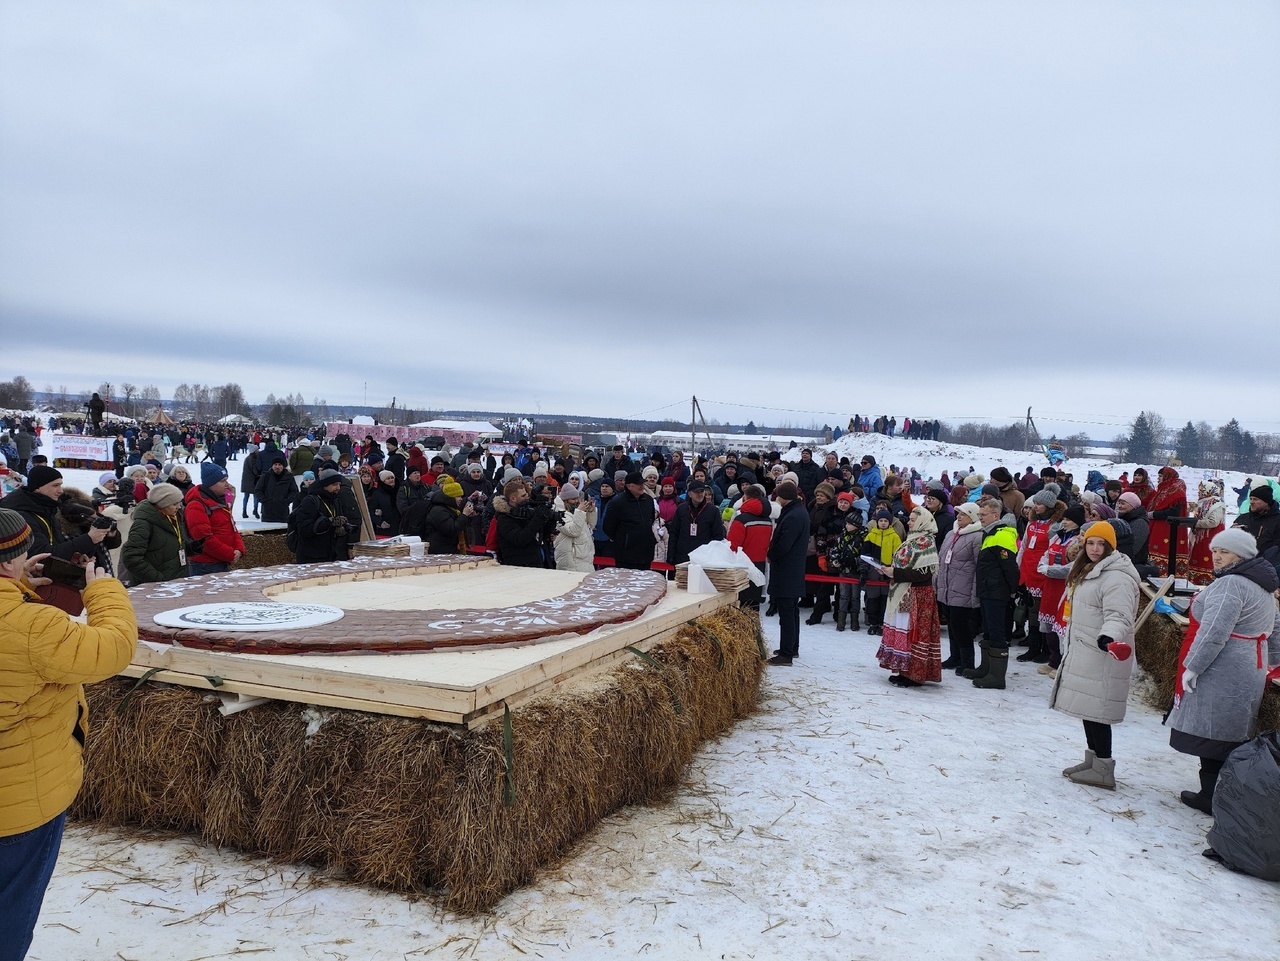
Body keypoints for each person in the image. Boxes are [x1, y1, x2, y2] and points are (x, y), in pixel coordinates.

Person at [0, 508, 137, 957]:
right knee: (9, 914)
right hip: (16, 805)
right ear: (8, 562)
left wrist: (17, 586)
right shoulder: (30, 627)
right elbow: (113, 648)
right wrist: (103, 591)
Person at [1166, 528, 1280, 815]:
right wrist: (1273, 660)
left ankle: (1211, 796)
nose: (1216, 557)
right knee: (1230, 733)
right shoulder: (1263, 586)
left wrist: (1194, 666)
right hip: (1250, 666)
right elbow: (1276, 628)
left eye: (1224, 552)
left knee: (1213, 732)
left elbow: (1214, 630)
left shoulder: (1232, 584)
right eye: (1215, 551)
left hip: (1223, 667)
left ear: (1241, 556)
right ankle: (1223, 794)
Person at [1048, 521, 1140, 790]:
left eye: (1102, 544)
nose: (1095, 549)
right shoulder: (1090, 569)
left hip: (1102, 652)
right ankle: (1093, 761)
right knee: (1088, 710)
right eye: (1091, 543)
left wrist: (1108, 637)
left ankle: (1103, 768)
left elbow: (1120, 615)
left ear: (1111, 546)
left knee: (1098, 712)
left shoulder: (1117, 577)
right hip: (1086, 650)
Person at [875, 507, 942, 687]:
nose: (909, 522)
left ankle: (914, 674)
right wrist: (888, 570)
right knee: (904, 631)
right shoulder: (912, 539)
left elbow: (924, 573)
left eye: (912, 520)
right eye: (910, 519)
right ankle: (904, 670)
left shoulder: (926, 542)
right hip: (905, 592)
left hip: (917, 595)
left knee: (914, 633)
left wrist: (894, 572)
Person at [0, 466, 113, 562]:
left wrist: (75, 557)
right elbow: (41, 555)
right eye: (55, 485)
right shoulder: (22, 515)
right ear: (38, 487)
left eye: (60, 485)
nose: (61, 491)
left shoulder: (48, 509)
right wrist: (89, 539)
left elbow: (56, 546)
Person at [968, 496, 1020, 689]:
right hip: (987, 589)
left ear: (996, 515)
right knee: (988, 630)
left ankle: (997, 677)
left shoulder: (1004, 534)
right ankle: (986, 668)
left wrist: (1013, 590)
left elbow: (1010, 567)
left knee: (997, 631)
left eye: (983, 514)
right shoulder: (989, 533)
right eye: (979, 514)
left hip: (997, 592)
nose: (980, 517)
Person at [1037, 504, 1087, 677]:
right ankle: (1053, 659)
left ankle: (1061, 662)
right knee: (1049, 625)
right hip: (1050, 586)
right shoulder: (1057, 538)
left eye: (1069, 520)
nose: (1065, 522)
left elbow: (1072, 567)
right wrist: (1043, 564)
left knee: (1061, 626)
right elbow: (1045, 554)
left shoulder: (1077, 542)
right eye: (1064, 519)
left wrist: (1050, 570)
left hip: (1063, 587)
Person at [935, 502, 983, 674]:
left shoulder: (977, 537)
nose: (959, 516)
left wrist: (975, 593)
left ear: (973, 517)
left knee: (961, 626)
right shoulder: (951, 533)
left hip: (964, 589)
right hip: (947, 588)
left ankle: (967, 661)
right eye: (958, 513)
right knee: (952, 625)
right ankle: (954, 657)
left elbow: (979, 567)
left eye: (963, 514)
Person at [767, 481, 808, 665]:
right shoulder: (798, 511)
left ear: (783, 497)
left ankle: (786, 654)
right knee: (792, 611)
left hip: (787, 570)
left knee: (787, 613)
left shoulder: (793, 516)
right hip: (793, 569)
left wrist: (771, 555)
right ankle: (792, 648)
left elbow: (784, 544)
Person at [121, 483, 190, 585]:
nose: (179, 507)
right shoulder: (143, 524)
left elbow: (170, 546)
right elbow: (131, 557)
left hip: (176, 581)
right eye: (174, 504)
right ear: (162, 504)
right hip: (155, 587)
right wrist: (157, 579)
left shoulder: (174, 517)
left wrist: (192, 548)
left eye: (179, 503)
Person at [184, 462, 244, 575]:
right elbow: (204, 540)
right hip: (205, 566)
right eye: (222, 481)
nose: (227, 484)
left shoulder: (220, 502)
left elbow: (232, 527)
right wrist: (230, 554)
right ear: (211, 484)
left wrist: (239, 549)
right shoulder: (196, 506)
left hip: (221, 562)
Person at [291, 469, 357, 563]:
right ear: (325, 485)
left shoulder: (335, 500)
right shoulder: (310, 501)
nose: (338, 487)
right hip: (310, 556)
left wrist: (339, 531)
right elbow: (303, 529)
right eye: (334, 484)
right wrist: (329, 522)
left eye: (339, 484)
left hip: (330, 555)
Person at [402, 476, 475, 554]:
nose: (461, 499)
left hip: (447, 548)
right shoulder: (438, 510)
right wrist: (464, 515)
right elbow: (452, 529)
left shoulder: (451, 508)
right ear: (450, 497)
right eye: (458, 496)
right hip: (439, 551)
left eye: (461, 496)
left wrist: (467, 517)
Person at [728, 485, 772, 610]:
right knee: (754, 604)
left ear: (746, 498)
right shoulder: (768, 519)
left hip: (743, 565)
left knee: (742, 605)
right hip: (761, 564)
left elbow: (732, 545)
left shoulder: (741, 519)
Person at [602, 471, 657, 571]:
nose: (641, 486)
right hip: (625, 554)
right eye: (638, 484)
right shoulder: (617, 503)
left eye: (642, 483)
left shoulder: (649, 500)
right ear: (629, 486)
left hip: (645, 552)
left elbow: (651, 520)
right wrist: (622, 540)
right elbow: (608, 527)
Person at [495, 478, 553, 567]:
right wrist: (537, 518)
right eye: (523, 496)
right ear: (513, 499)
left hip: (535, 561)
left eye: (526, 494)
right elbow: (520, 539)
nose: (527, 497)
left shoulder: (525, 511)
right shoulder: (504, 518)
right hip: (518, 566)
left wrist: (548, 519)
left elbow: (542, 534)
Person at [667, 479, 726, 568]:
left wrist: (714, 557)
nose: (700, 494)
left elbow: (718, 536)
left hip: (704, 558)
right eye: (696, 492)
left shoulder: (713, 511)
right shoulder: (681, 509)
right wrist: (671, 555)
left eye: (702, 491)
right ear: (690, 494)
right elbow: (674, 533)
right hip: (683, 556)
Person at [1148, 467, 1189, 578]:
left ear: (1168, 476)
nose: (1158, 479)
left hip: (1168, 529)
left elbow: (1174, 512)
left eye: (1161, 476)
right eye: (1158, 476)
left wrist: (1154, 514)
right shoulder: (1163, 489)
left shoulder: (1177, 490)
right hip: (1157, 527)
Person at [1185, 480, 1226, 585]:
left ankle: (1205, 582)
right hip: (1200, 538)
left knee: (1206, 561)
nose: (1199, 493)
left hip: (1210, 539)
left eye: (1201, 491)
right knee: (1197, 559)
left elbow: (1213, 522)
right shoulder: (1203, 502)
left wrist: (1196, 523)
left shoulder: (1216, 503)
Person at [552, 485, 597, 572]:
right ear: (565, 500)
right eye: (573, 499)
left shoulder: (575, 511)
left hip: (583, 557)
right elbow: (573, 531)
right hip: (571, 560)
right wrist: (580, 511)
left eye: (577, 498)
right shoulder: (559, 513)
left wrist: (591, 511)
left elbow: (591, 525)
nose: (576, 501)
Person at [255, 454, 298, 523]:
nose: (277, 467)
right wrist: (264, 500)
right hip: (267, 512)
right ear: (272, 466)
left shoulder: (289, 477)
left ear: (283, 466)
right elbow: (258, 490)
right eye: (275, 464)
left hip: (282, 512)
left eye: (279, 465)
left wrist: (286, 501)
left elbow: (294, 491)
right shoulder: (266, 476)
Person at [368, 470, 402, 537]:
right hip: (385, 528)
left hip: (400, 527)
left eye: (392, 478)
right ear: (383, 481)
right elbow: (370, 511)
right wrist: (380, 522)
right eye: (388, 478)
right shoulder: (377, 494)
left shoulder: (400, 491)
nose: (391, 480)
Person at [239, 447, 262, 519]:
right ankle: (255, 510)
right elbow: (255, 470)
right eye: (257, 450)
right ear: (254, 451)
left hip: (246, 480)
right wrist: (259, 474)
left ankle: (244, 510)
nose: (258, 451)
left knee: (246, 496)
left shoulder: (248, 458)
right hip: (253, 480)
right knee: (255, 495)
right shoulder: (252, 459)